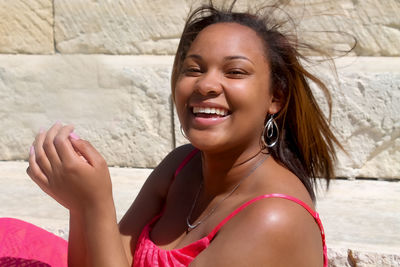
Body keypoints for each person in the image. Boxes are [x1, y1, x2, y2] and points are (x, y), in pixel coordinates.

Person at [9, 1, 341, 266]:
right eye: (193, 69)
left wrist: (94, 205)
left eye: (235, 72)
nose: (206, 85)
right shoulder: (182, 165)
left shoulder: (274, 219)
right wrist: (81, 208)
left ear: (275, 97)